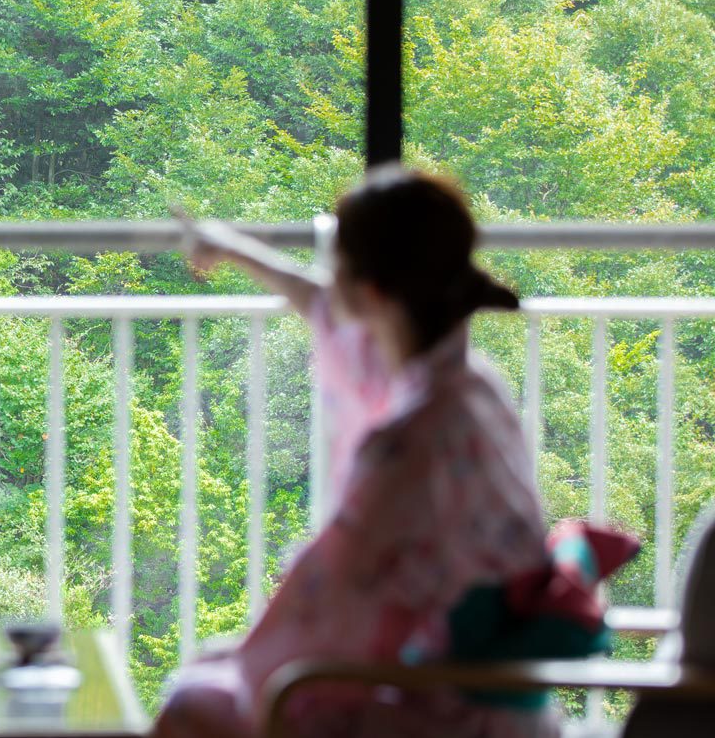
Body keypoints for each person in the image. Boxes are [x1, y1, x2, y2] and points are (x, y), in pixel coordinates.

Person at [156, 166, 552, 738]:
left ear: (371, 292)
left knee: (194, 701)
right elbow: (319, 299)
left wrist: (247, 663)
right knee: (218, 663)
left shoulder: (411, 439)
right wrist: (230, 247)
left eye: (336, 257)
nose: (326, 273)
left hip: (447, 711)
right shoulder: (469, 386)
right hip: (500, 692)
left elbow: (330, 597)